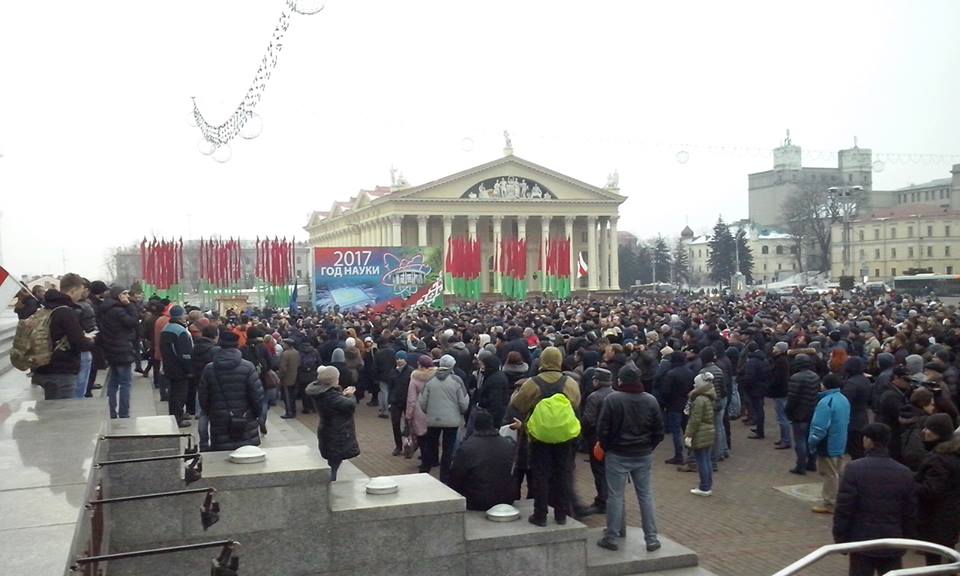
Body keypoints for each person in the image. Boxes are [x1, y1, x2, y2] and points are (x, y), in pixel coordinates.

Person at [508, 346, 581, 527]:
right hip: (565, 436)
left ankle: (540, 514)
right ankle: (561, 514)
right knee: (563, 474)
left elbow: (517, 404)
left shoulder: (533, 383)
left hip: (539, 436)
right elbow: (576, 404)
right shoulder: (570, 383)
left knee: (540, 475)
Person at [596, 364, 664, 553]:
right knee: (645, 496)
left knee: (615, 497)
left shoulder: (613, 399)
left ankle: (612, 537)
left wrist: (608, 446)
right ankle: (651, 539)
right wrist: (648, 447)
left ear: (621, 380)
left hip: (617, 454)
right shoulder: (650, 400)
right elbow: (659, 430)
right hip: (642, 454)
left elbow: (603, 429)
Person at [833, 423, 917, 576]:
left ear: (868, 440)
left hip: (862, 540)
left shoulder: (853, 469)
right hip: (893, 540)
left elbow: (844, 507)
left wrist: (841, 538)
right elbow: (910, 511)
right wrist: (907, 538)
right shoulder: (904, 472)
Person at [28, 274, 95, 399]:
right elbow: (80, 343)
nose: (81, 295)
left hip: (43, 367)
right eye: (80, 292)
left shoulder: (46, 308)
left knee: (51, 411)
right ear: (73, 290)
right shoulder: (66, 312)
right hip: (61, 371)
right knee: (63, 414)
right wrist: (91, 341)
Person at [198, 331, 263, 452]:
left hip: (219, 418)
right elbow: (257, 395)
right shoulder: (248, 367)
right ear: (237, 345)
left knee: (222, 459)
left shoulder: (209, 369)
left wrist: (211, 411)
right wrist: (256, 413)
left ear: (219, 345)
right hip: (245, 418)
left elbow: (203, 396)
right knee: (247, 454)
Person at [914, 413, 960, 566]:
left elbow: (931, 490)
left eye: (931, 429)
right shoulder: (951, 454)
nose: (925, 432)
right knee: (948, 554)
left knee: (934, 558)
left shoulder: (938, 459)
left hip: (936, 517)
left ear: (940, 433)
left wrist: (910, 483)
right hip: (950, 515)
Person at [448, 409, 516, 511]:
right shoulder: (507, 444)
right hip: (505, 498)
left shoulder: (467, 447)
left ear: (475, 426)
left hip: (476, 500)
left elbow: (455, 476)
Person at [418, 354, 469, 484]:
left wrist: (428, 412)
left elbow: (422, 401)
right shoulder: (457, 381)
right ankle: (444, 477)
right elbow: (463, 402)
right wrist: (461, 412)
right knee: (448, 449)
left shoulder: (430, 381)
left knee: (431, 445)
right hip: (451, 420)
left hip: (433, 419)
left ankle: (425, 471)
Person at [306, 366, 360, 481]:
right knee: (334, 463)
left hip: (328, 430)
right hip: (336, 432)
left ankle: (331, 481)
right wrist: (350, 395)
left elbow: (336, 403)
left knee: (333, 461)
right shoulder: (329, 396)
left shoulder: (322, 393)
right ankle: (330, 485)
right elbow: (349, 405)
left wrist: (342, 395)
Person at [808, 373, 852, 514]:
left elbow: (819, 426)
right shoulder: (844, 399)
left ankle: (830, 502)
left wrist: (812, 442)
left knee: (829, 474)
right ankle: (837, 498)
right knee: (837, 472)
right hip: (841, 441)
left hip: (828, 442)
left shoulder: (826, 402)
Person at [97, 285, 140, 419]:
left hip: (110, 349)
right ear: (118, 296)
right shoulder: (119, 310)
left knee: (113, 382)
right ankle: (124, 413)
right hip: (122, 350)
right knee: (125, 383)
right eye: (125, 294)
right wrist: (129, 306)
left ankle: (111, 411)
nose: (127, 297)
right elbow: (133, 321)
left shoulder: (104, 309)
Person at [580, 367, 614, 515]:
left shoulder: (594, 397)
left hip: (596, 439)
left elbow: (588, 420)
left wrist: (584, 435)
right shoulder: (616, 395)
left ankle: (602, 501)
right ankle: (610, 499)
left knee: (599, 471)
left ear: (598, 381)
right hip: (613, 439)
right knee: (609, 471)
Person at [785, 354, 821, 475]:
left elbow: (792, 398)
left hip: (799, 413)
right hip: (812, 410)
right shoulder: (815, 376)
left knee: (800, 440)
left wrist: (788, 411)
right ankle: (812, 463)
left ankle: (800, 466)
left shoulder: (796, 377)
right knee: (811, 439)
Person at [161, 305, 194, 428]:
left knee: (173, 393)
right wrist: (189, 369)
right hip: (179, 368)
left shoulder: (167, 328)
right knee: (179, 393)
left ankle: (175, 414)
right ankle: (178, 417)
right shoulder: (180, 332)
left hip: (169, 365)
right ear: (180, 316)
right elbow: (185, 354)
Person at [685, 372, 717, 497]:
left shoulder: (699, 399)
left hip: (701, 432)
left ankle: (704, 487)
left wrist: (689, 435)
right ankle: (707, 485)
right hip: (708, 429)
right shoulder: (709, 396)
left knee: (702, 460)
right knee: (707, 459)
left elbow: (695, 420)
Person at [660, 352, 694, 465]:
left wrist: (664, 403)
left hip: (673, 405)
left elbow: (665, 391)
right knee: (686, 430)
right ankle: (691, 453)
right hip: (686, 403)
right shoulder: (690, 372)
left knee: (676, 432)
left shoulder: (671, 374)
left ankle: (679, 455)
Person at [191, 324, 219, 449]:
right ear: (215, 336)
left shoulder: (195, 347)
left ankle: (203, 440)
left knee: (203, 412)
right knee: (212, 412)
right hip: (212, 382)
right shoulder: (214, 350)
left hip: (199, 379)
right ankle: (213, 439)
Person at [875, 366, 911, 462]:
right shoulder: (891, 396)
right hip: (891, 434)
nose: (908, 382)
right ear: (896, 378)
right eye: (905, 379)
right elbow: (902, 413)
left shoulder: (897, 392)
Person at [841, 356, 872, 460]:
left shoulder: (852, 383)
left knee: (855, 449)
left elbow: (844, 401)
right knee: (859, 447)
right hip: (862, 416)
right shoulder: (865, 380)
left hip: (853, 419)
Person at [404, 354, 435, 458]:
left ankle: (424, 458)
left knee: (421, 436)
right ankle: (433, 457)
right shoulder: (436, 377)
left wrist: (408, 414)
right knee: (432, 436)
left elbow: (411, 399)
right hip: (432, 409)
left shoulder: (415, 378)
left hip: (419, 410)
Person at [741, 342, 769, 440]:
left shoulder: (752, 361)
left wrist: (745, 385)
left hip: (754, 388)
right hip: (762, 386)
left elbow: (749, 376)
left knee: (758, 410)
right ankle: (759, 428)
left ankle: (760, 432)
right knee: (759, 409)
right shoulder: (763, 359)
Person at [74, 279, 97, 399]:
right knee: (81, 381)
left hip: (72, 349)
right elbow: (90, 327)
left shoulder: (70, 306)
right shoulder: (85, 306)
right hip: (83, 345)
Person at [388, 351, 414, 455]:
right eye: (397, 358)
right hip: (395, 401)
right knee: (395, 423)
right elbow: (390, 387)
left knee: (409, 424)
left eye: (401, 358)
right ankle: (398, 446)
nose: (399, 360)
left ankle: (409, 444)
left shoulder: (410, 371)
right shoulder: (393, 372)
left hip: (406, 401)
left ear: (405, 359)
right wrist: (389, 400)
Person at [278, 338, 301, 419]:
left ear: (287, 345)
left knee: (287, 396)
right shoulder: (296, 352)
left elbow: (283, 368)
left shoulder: (285, 354)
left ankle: (289, 412)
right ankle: (293, 410)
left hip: (287, 378)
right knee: (292, 396)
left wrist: (280, 376)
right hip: (295, 377)